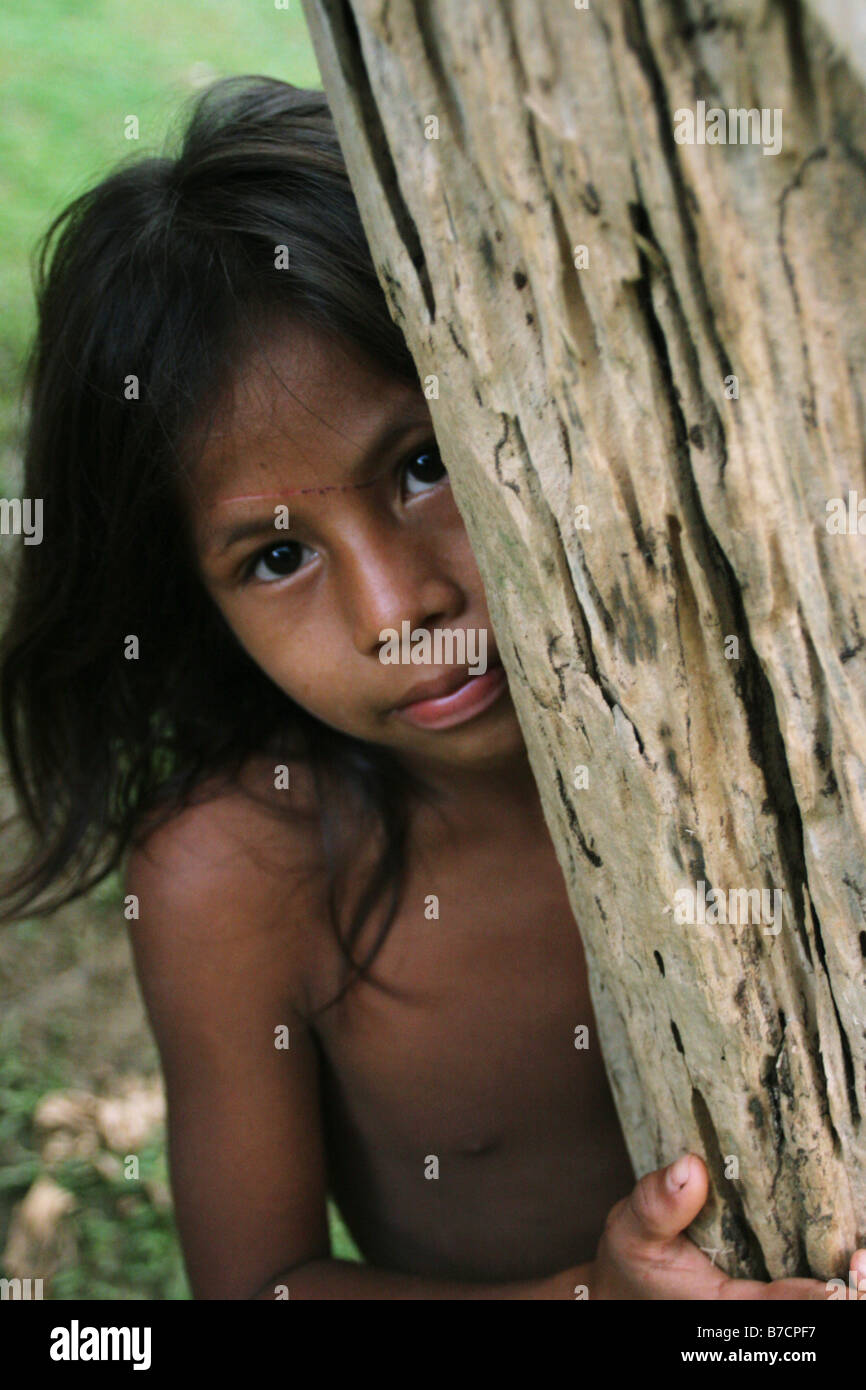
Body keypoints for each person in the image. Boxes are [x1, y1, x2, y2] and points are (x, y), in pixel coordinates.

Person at [1, 75, 860, 1300]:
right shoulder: (240, 874)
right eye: (278, 555)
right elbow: (264, 1287)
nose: (397, 608)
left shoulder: (789, 700)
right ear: (190, 597)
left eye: (421, 465)